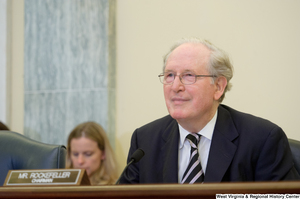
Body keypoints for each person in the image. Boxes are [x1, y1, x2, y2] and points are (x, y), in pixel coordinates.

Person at [119, 37, 300, 184]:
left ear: (218, 87)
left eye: (189, 75)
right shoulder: (145, 141)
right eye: (170, 75)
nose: (175, 86)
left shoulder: (262, 139)